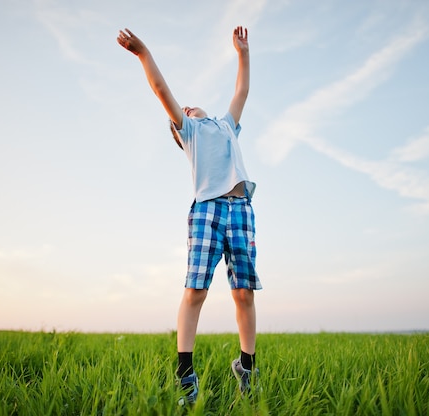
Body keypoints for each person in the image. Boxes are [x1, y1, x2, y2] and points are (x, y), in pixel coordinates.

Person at [117, 26, 262, 404]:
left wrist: (242, 52)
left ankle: (247, 368)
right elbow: (161, 91)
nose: (188, 107)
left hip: (241, 209)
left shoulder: (225, 125)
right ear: (179, 131)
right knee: (196, 290)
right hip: (207, 212)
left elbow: (241, 91)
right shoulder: (192, 132)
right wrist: (143, 52)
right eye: (181, 114)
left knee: (244, 294)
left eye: (190, 107)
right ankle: (185, 375)